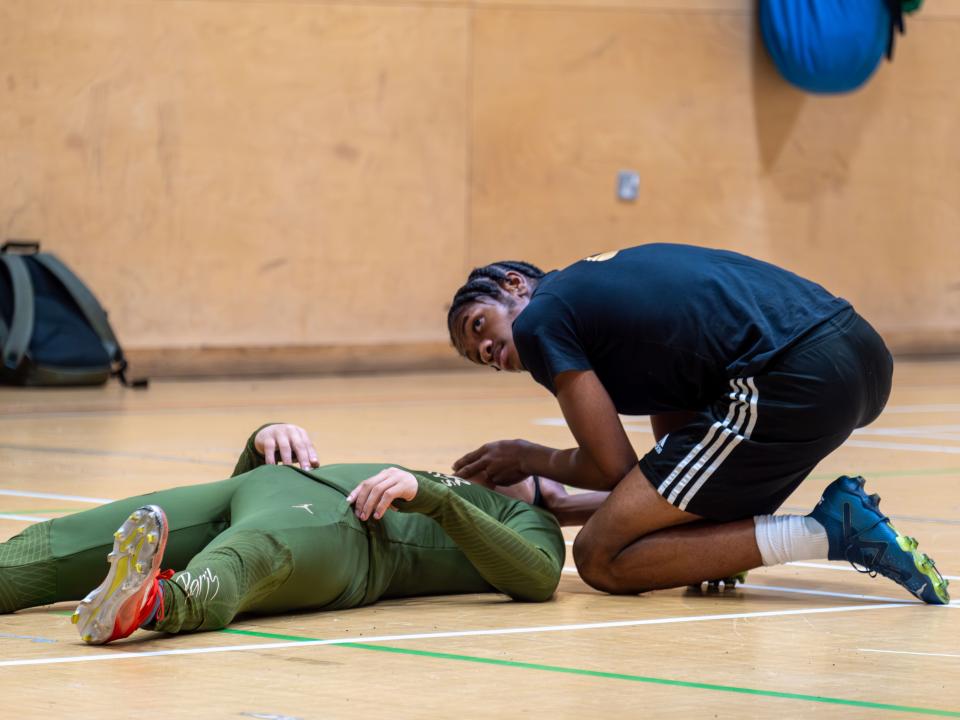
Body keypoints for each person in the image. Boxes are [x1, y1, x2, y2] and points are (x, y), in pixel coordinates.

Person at [446, 243, 950, 605]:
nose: (487, 351)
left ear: (513, 284)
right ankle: (797, 534)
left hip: (792, 370)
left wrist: (525, 457)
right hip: (858, 356)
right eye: (478, 357)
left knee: (598, 558)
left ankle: (827, 531)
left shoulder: (541, 321)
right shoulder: (599, 300)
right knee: (683, 516)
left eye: (479, 326)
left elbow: (611, 467)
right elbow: (662, 484)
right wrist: (560, 505)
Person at [0, 424, 565, 644]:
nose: (500, 462)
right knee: (78, 537)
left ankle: (151, 604)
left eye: (529, 462)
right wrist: (265, 440)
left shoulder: (531, 520)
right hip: (268, 486)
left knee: (254, 554)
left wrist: (435, 497)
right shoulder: (450, 483)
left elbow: (539, 578)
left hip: (352, 536)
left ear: (552, 490)